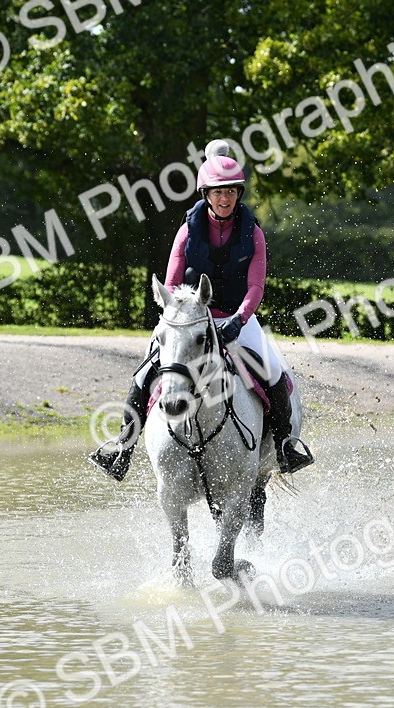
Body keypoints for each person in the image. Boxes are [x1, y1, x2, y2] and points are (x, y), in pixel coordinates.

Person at [89, 140, 314, 481]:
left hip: (236, 319)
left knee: (271, 372)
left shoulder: (252, 233)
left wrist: (238, 321)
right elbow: (172, 283)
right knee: (143, 376)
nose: (225, 199)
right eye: (218, 192)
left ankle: (285, 445)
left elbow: (255, 287)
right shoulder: (186, 231)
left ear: (238, 194)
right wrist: (183, 314)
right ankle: (123, 447)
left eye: (231, 193)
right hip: (189, 319)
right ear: (206, 194)